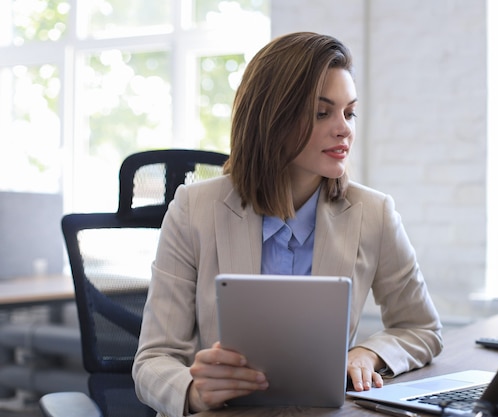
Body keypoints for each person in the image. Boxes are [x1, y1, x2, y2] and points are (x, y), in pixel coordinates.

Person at [132, 31, 443, 416]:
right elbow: (153, 360)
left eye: (349, 112)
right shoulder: (194, 209)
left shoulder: (373, 213)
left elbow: (422, 328)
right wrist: (195, 391)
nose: (344, 128)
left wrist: (370, 352)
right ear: (272, 117)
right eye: (322, 112)